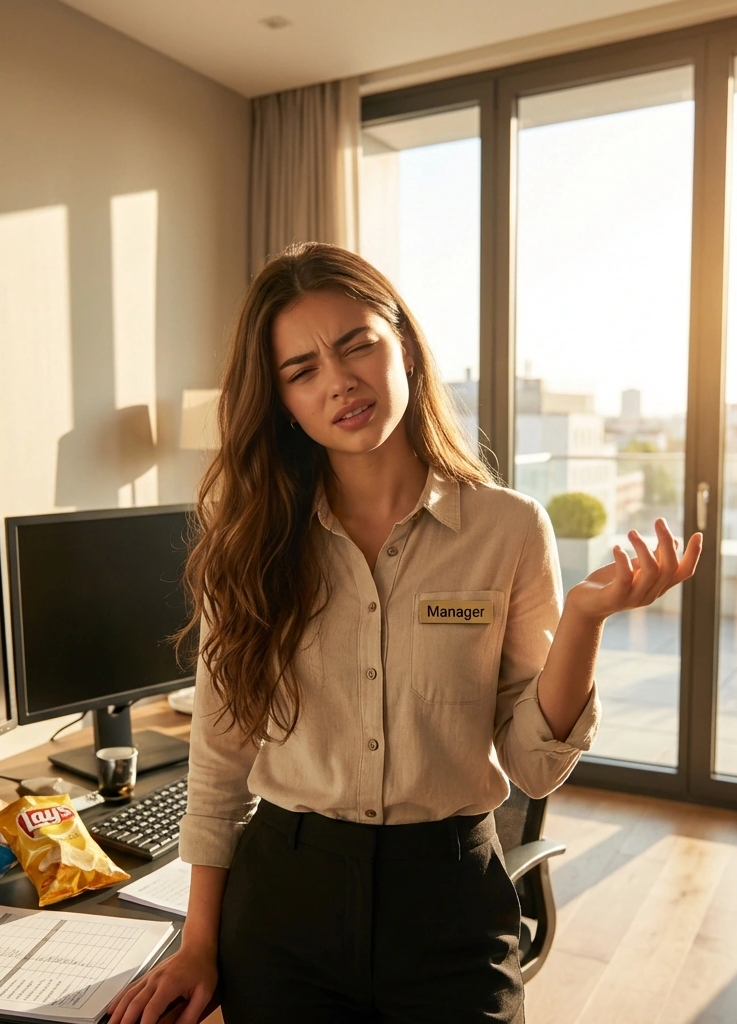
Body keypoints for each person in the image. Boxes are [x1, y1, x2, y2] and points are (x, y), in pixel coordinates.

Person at [109, 243, 702, 1024]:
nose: (339, 380)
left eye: (357, 344)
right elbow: (221, 760)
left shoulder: (510, 528)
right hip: (284, 902)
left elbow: (533, 764)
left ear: (407, 350)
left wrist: (584, 623)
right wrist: (198, 943)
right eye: (302, 369)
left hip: (450, 900)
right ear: (283, 401)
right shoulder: (248, 539)